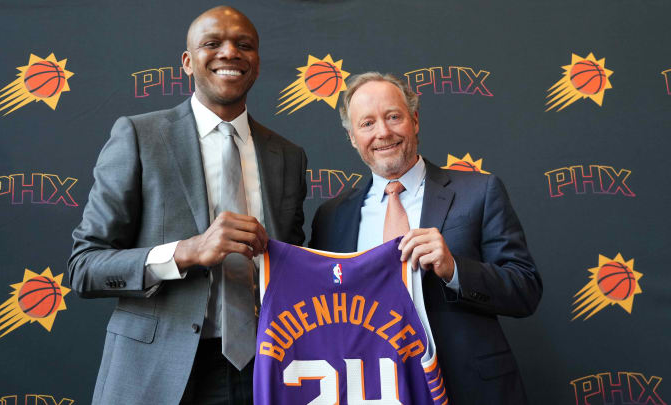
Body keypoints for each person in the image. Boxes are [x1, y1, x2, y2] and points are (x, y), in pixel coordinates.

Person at [68, 6, 307, 405]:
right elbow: (84, 267)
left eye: (243, 45)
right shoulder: (139, 136)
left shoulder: (289, 155)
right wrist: (185, 252)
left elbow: (291, 266)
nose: (229, 52)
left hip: (264, 371)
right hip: (156, 371)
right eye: (212, 43)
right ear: (187, 61)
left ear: (257, 63)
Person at [309, 72, 542, 405]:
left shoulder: (479, 192)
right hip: (372, 389)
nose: (383, 133)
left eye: (393, 117)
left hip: (469, 388)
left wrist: (454, 269)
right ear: (351, 136)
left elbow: (526, 289)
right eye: (367, 123)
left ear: (414, 120)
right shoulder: (331, 217)